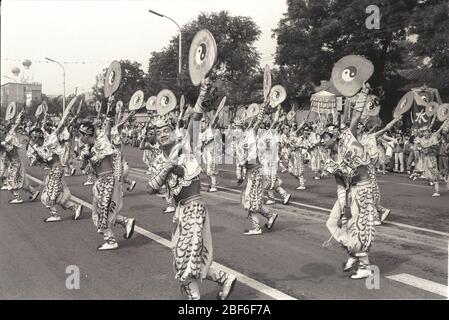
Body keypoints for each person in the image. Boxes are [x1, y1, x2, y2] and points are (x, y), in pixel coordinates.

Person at [146, 79, 237, 300]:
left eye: (167, 130)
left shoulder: (187, 147)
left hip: (195, 209)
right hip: (179, 213)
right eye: (159, 133)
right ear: (156, 139)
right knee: (184, 258)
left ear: (174, 133)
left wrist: (203, 93)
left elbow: (195, 119)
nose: (163, 134)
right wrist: (167, 167)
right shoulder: (159, 160)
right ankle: (223, 277)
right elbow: (151, 187)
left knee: (187, 260)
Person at [322, 82, 377, 280]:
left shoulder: (347, 138)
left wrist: (363, 93)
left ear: (335, 137)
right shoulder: (329, 159)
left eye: (325, 137)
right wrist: (343, 202)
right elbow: (339, 183)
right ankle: (353, 252)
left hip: (362, 189)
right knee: (331, 223)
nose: (322, 141)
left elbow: (355, 116)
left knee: (357, 228)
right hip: (348, 191)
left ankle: (366, 266)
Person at [77, 103, 136, 251]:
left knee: (104, 211)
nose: (79, 137)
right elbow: (83, 168)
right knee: (98, 212)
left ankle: (110, 241)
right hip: (99, 182)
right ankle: (126, 222)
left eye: (81, 135)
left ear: (87, 134)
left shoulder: (101, 142)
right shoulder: (86, 148)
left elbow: (107, 132)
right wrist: (85, 158)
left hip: (109, 180)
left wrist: (109, 116)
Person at [27, 126, 83, 222]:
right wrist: (37, 159)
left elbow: (53, 158)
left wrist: (44, 157)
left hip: (56, 170)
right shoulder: (36, 148)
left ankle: (55, 215)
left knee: (47, 196)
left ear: (37, 136)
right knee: (57, 195)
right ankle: (75, 207)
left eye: (33, 137)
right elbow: (33, 163)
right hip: (50, 172)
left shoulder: (50, 142)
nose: (33, 140)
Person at [2, 110, 40, 204]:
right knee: (22, 182)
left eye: (2, 130)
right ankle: (34, 192)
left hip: (16, 163)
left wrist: (19, 116)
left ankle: (18, 198)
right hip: (14, 163)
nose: (1, 132)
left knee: (11, 181)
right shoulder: (5, 139)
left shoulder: (9, 137)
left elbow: (16, 125)